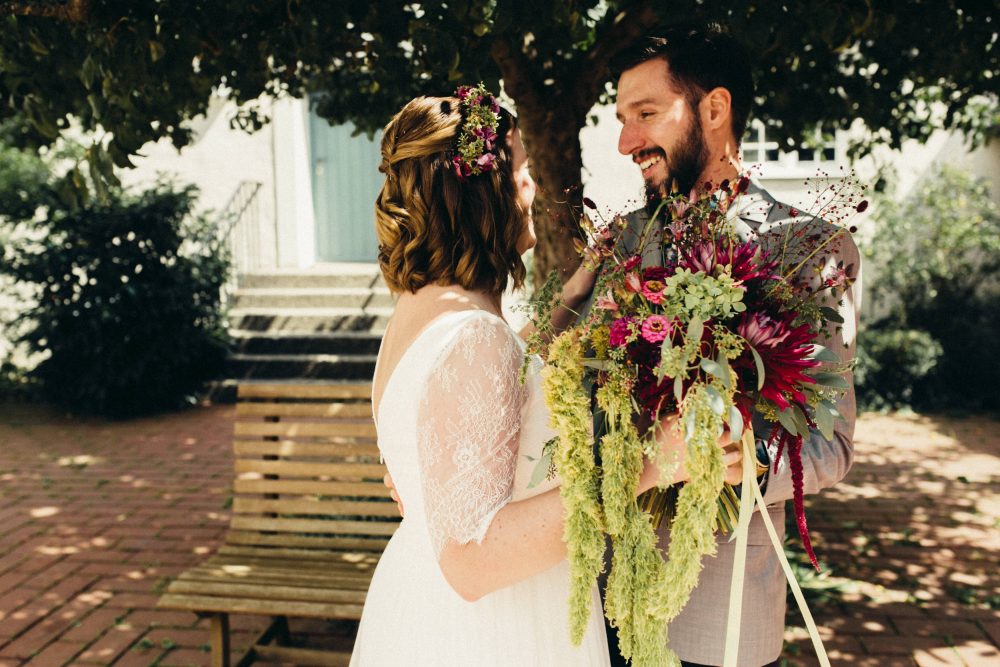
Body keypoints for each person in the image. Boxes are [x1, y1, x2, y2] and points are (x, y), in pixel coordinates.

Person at [351, 87, 746, 666]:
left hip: (428, 602)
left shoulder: (419, 314)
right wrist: (654, 464)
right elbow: (472, 560)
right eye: (521, 169)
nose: (531, 186)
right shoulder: (473, 338)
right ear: (485, 197)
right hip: (492, 627)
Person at [596, 25, 862, 667]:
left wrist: (727, 453)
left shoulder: (812, 251)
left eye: (646, 114)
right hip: (589, 604)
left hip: (720, 616)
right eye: (622, 119)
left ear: (714, 109)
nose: (627, 141)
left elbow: (831, 443)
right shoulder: (617, 246)